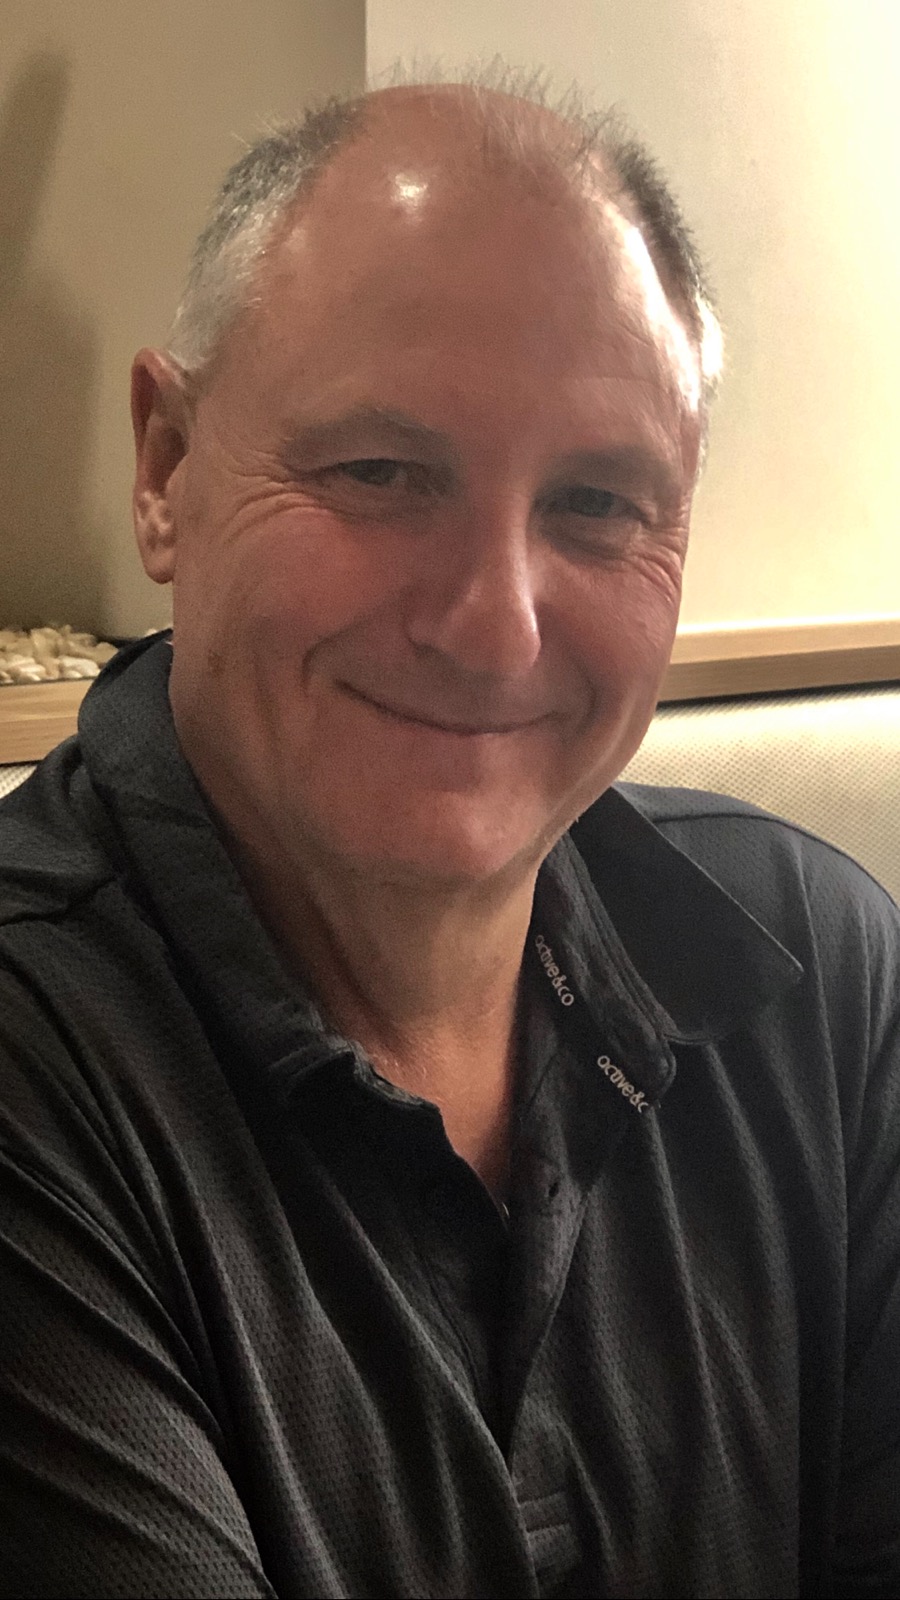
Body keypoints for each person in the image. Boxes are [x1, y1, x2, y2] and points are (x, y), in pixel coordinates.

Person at [0, 73, 897, 1600]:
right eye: (380, 473)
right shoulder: (42, 1068)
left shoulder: (827, 974)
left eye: (598, 502)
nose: (494, 627)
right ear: (166, 469)